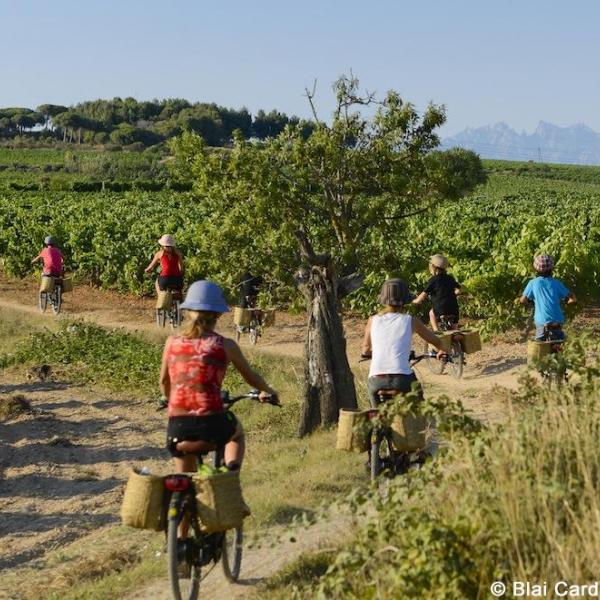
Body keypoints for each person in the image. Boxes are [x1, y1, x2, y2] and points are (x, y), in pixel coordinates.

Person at [160, 280, 278, 474]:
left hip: (178, 426)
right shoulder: (225, 345)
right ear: (217, 314)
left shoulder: (171, 342)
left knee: (186, 479)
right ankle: (231, 476)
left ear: (188, 311)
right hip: (212, 423)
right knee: (237, 434)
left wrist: (170, 399)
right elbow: (251, 378)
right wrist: (269, 391)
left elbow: (165, 381)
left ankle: (181, 500)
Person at [361, 278, 448, 407]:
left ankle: (377, 422)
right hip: (402, 380)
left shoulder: (372, 320)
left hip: (376, 380)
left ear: (383, 300)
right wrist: (442, 351)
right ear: (405, 301)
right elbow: (436, 341)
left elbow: (365, 351)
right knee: (419, 409)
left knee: (376, 416)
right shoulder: (411, 320)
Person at [519, 254, 576, 340]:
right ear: (552, 269)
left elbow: (522, 300)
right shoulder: (557, 283)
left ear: (536, 269)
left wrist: (530, 303)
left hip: (542, 320)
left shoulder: (533, 283)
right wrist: (568, 302)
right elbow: (573, 298)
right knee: (560, 343)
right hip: (557, 319)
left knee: (540, 345)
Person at [412, 254, 463, 331]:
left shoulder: (433, 280)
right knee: (455, 328)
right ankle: (456, 333)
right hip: (454, 308)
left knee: (431, 313)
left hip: (440, 309)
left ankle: (437, 332)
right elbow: (459, 289)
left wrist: (415, 301)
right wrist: (453, 293)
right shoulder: (450, 278)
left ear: (433, 266)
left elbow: (422, 296)